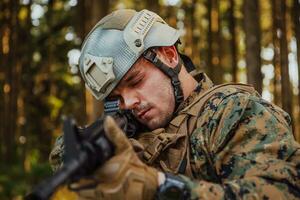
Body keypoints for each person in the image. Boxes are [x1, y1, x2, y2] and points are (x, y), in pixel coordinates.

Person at [49, 9, 300, 199]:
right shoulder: (129, 131)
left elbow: (279, 191)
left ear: (168, 55)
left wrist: (160, 186)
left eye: (135, 80)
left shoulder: (234, 112)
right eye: (116, 98)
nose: (129, 103)